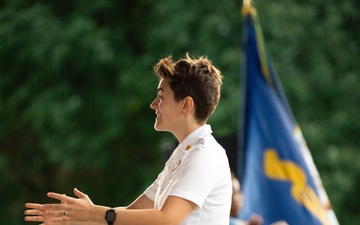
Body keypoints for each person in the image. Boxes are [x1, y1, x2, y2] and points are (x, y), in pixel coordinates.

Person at [24, 53, 232, 225]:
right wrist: (77, 218)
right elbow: (130, 215)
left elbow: (167, 219)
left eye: (161, 96)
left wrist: (94, 213)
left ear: (186, 105)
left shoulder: (205, 154)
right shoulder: (184, 154)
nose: (153, 104)